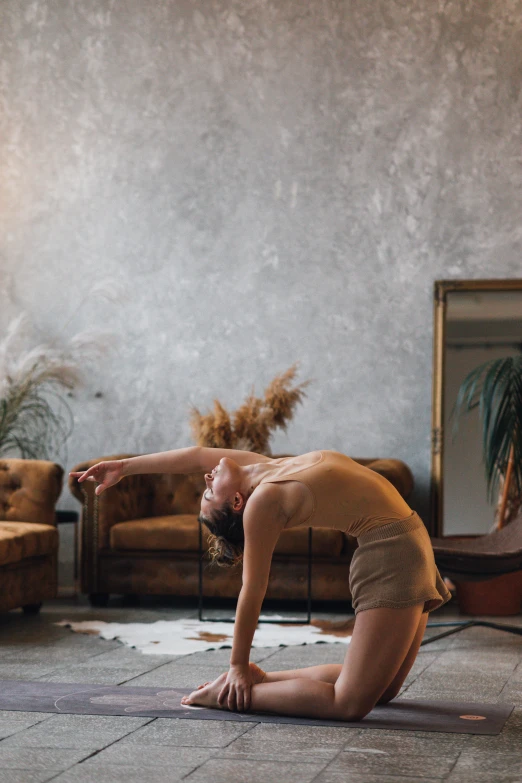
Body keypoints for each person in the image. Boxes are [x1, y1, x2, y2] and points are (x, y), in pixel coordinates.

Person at [70, 445, 452, 722]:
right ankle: (231, 694)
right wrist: (236, 663)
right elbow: (252, 589)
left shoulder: (264, 470)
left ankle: (263, 679)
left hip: (409, 542)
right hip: (390, 555)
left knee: (385, 691)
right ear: (237, 502)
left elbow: (196, 454)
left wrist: (125, 466)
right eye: (209, 492)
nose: (206, 477)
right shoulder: (262, 501)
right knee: (348, 704)